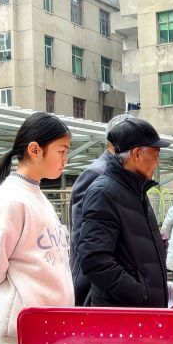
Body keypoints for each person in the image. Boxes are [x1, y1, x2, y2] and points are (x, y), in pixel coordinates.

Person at [0, 113, 73, 344]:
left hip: (48, 328)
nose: (65, 160)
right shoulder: (10, 199)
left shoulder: (34, 194)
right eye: (61, 151)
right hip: (19, 335)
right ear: (35, 149)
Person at [75, 117, 171, 307]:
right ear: (136, 154)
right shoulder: (104, 192)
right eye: (155, 154)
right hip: (124, 316)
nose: (157, 162)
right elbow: (94, 259)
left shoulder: (135, 190)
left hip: (143, 312)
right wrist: (139, 294)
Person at [70, 113, 130, 305]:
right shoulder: (96, 174)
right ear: (114, 142)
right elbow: (83, 238)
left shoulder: (125, 173)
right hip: (95, 286)